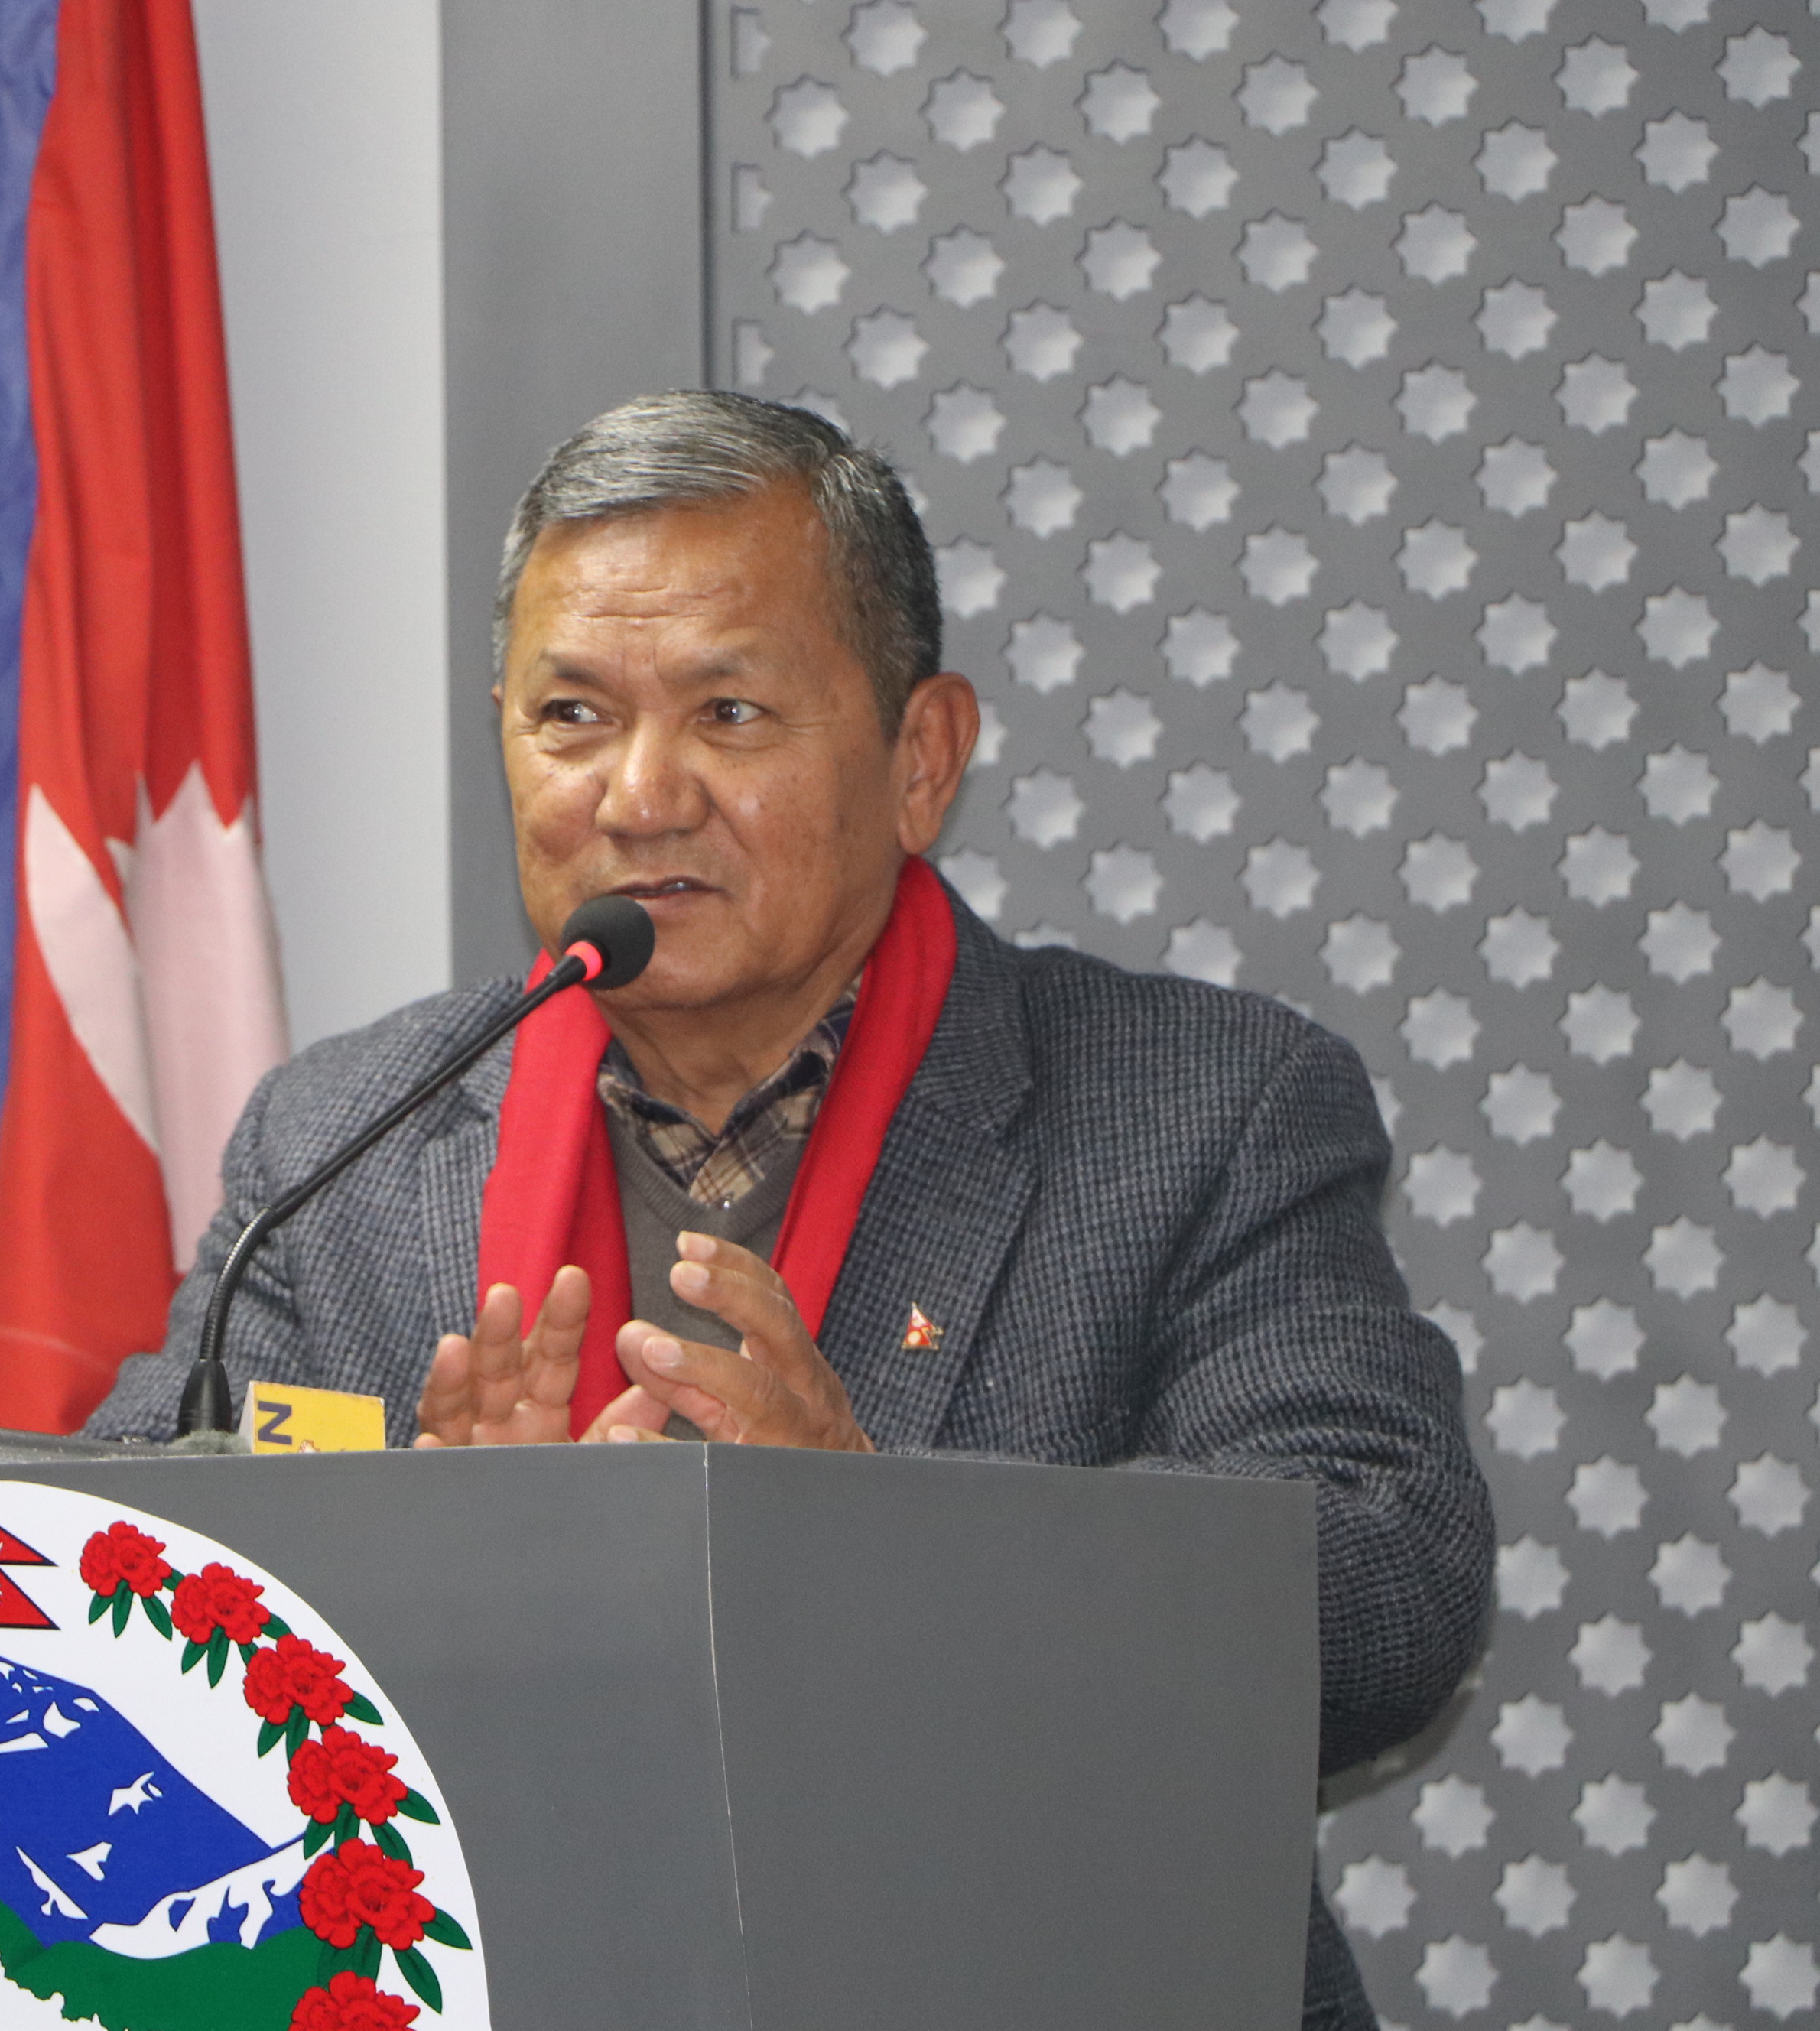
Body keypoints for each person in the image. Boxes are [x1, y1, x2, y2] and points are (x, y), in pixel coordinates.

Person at [85, 389, 1491, 2029]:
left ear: (922, 758)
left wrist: (871, 1541)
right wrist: (433, 1558)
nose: (640, 794)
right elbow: (117, 1577)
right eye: (571, 716)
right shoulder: (343, 1144)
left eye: (731, 711)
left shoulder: (1200, 1107)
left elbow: (1388, 1592)